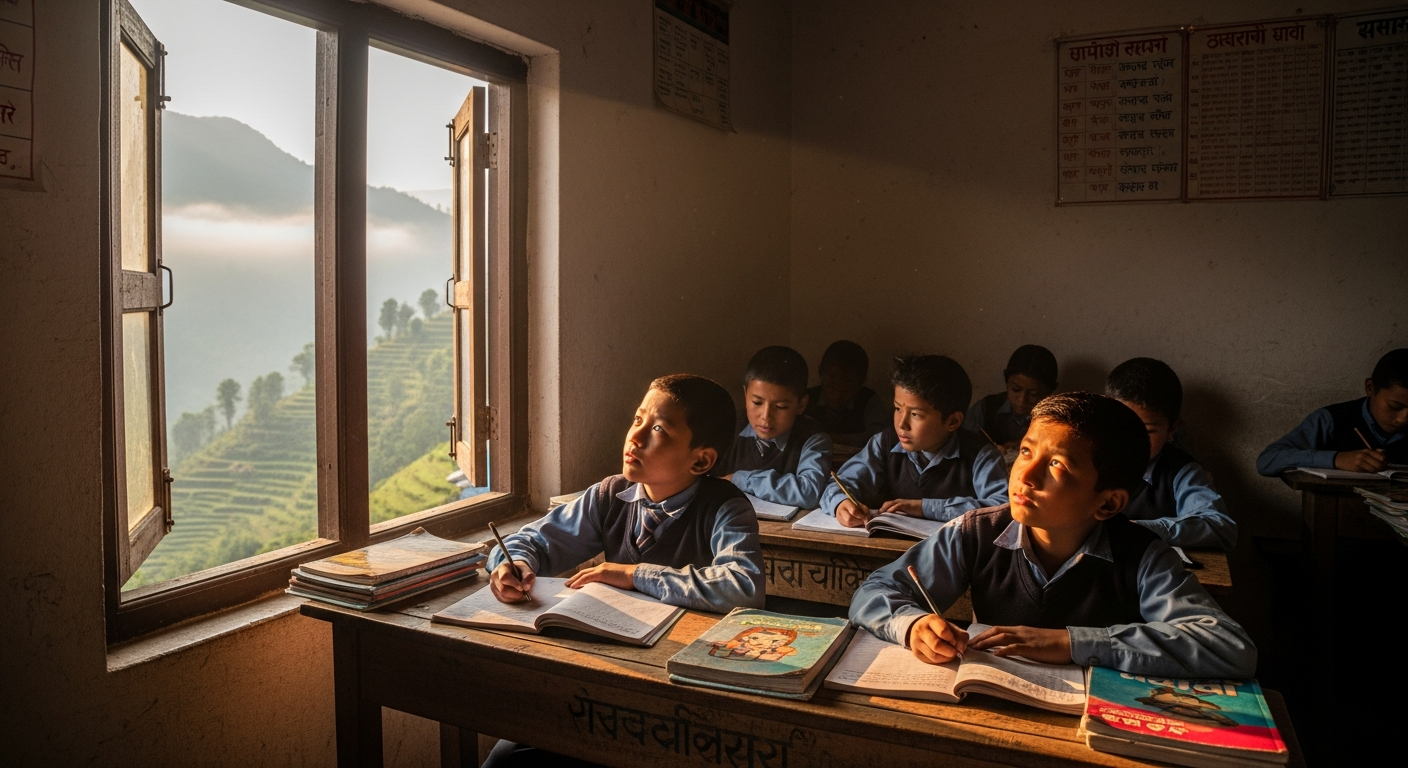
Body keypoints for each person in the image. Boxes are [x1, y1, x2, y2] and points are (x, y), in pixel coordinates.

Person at [849, 392, 1257, 678]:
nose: (1024, 475)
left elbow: (1229, 646)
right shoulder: (976, 532)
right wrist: (913, 623)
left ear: (1108, 504)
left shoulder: (1142, 556)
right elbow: (873, 592)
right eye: (1026, 452)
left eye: (1058, 466)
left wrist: (1072, 644)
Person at [486, 374, 764, 614]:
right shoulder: (610, 495)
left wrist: (635, 575)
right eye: (638, 419)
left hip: (687, 651)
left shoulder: (726, 508)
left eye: (658, 429)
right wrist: (514, 564)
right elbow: (533, 541)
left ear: (701, 461)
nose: (635, 436)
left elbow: (743, 588)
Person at [821, 355, 1008, 526]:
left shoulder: (980, 455)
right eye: (897, 409)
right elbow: (840, 483)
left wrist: (924, 508)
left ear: (953, 421)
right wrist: (841, 503)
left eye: (916, 414)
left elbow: (1002, 508)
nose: (901, 424)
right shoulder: (885, 443)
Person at [1105, 357, 1237, 552]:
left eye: (1148, 431)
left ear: (1172, 428)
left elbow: (1220, 528)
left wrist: (1138, 529)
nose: (1132, 440)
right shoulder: (1089, 458)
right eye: (1121, 426)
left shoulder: (1181, 471)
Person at [713, 346, 832, 509]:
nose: (766, 416)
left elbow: (809, 492)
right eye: (757, 403)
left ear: (801, 404)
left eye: (781, 406)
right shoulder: (729, 428)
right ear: (745, 394)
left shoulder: (813, 439)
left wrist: (739, 479)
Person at [1257, 348, 1408, 475]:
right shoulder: (1332, 419)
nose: (1403, 419)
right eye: (1395, 407)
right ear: (1370, 388)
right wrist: (1336, 459)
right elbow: (1267, 460)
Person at [965, 344, 1058, 452]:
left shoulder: (1055, 420)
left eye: (1033, 394)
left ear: (1049, 391)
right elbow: (962, 442)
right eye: (1016, 389)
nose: (1022, 400)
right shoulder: (986, 408)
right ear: (1007, 382)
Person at [803, 340, 890, 447]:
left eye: (848, 380)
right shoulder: (806, 399)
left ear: (861, 382)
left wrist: (831, 438)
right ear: (821, 373)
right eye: (833, 377)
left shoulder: (868, 400)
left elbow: (881, 436)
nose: (840, 386)